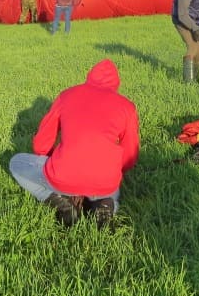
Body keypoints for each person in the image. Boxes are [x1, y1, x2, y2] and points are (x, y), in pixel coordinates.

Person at [9, 59, 140, 228]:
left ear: (89, 77)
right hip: (104, 181)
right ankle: (106, 205)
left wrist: (54, 159)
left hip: (62, 175)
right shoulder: (126, 106)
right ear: (116, 84)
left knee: (16, 162)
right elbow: (130, 156)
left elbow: (41, 144)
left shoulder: (67, 95)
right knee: (111, 188)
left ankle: (58, 200)